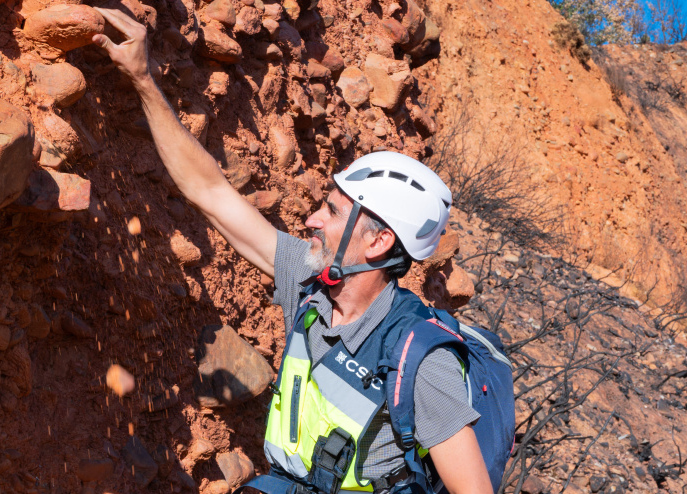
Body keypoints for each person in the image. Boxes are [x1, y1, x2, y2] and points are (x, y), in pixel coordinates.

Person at [89, 9, 493, 494]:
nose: (312, 220)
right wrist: (142, 79)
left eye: (333, 212)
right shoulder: (308, 280)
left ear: (379, 242)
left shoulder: (421, 361)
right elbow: (210, 191)